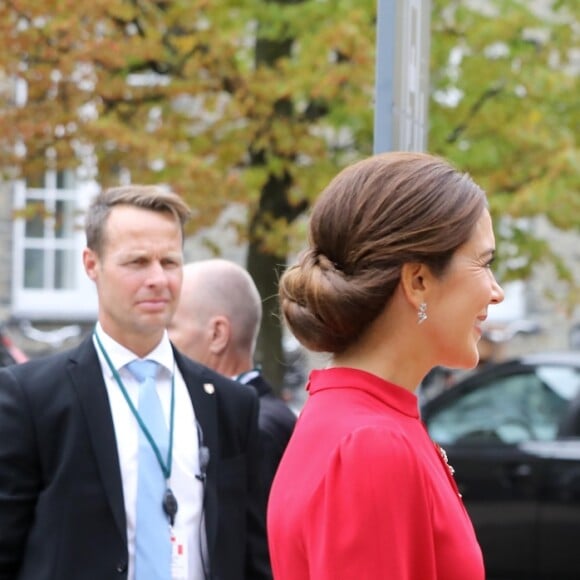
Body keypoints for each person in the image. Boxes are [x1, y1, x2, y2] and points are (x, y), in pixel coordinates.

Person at [0, 185, 271, 580]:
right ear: (92, 264)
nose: (158, 278)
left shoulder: (231, 404)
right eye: (137, 262)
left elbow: (251, 553)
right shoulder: (31, 399)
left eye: (170, 262)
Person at [267, 151, 505, 580]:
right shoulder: (371, 443)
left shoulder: (355, 420)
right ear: (418, 281)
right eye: (483, 264)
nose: (496, 291)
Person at [168, 259, 297, 493]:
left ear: (217, 334)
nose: (160, 341)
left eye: (170, 327)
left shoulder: (255, 429)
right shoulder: (250, 418)